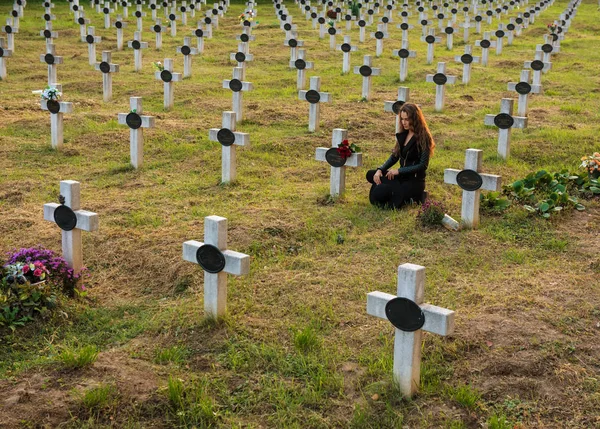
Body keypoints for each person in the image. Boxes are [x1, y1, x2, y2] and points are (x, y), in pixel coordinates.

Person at [366, 103, 435, 209]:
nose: (404, 123)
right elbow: (394, 156)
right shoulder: (404, 134)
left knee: (394, 192)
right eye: (402, 119)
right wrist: (380, 169)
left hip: (415, 180)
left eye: (407, 119)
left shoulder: (424, 137)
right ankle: (393, 189)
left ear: (415, 119)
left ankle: (418, 195)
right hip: (401, 177)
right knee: (372, 174)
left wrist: (399, 171)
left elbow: (423, 165)